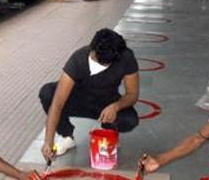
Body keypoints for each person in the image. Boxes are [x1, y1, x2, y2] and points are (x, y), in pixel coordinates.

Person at [39, 29, 139, 160]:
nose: (105, 65)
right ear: (92, 50)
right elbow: (58, 103)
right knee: (47, 93)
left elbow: (132, 94)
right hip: (78, 100)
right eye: (102, 61)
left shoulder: (125, 56)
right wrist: (48, 141)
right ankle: (66, 136)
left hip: (106, 102)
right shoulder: (78, 59)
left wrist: (116, 106)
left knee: (129, 120)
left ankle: (106, 129)